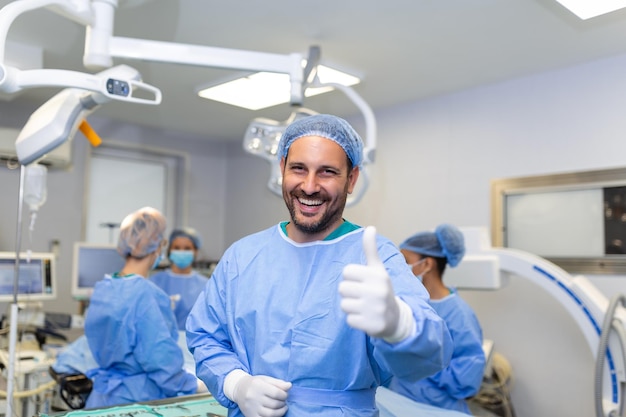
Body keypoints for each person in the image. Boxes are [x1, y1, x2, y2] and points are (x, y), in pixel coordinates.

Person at [186, 114, 453, 417]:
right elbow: (205, 335)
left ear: (351, 179)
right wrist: (236, 384)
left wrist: (401, 324)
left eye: (327, 172)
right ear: (282, 168)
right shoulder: (242, 256)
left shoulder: (375, 256)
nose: (309, 186)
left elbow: (433, 348)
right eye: (299, 168)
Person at [84, 206, 206, 408]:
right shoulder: (146, 295)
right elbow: (160, 360)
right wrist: (193, 385)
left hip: (103, 397)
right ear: (158, 246)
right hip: (138, 400)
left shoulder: (103, 288)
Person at [387, 224, 485, 415]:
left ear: (427, 264)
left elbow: (467, 376)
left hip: (435, 407)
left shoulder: (458, 313)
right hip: (397, 400)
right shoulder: (406, 303)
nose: (400, 268)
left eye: (405, 261)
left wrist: (421, 365)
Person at [150, 227, 209, 330]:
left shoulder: (206, 286)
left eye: (187, 248)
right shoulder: (155, 282)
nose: (182, 252)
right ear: (170, 251)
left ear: (196, 251)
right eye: (177, 248)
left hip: (193, 343)